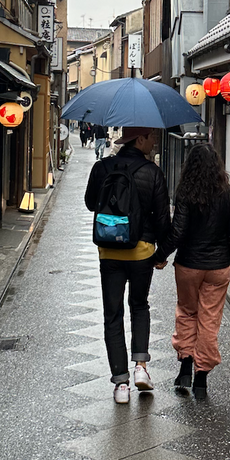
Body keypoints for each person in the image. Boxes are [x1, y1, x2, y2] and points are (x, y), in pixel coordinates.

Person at [85, 127, 171, 404]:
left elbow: (89, 203)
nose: (155, 141)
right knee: (140, 306)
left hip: (108, 251)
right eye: (152, 137)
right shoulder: (152, 172)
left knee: (112, 314)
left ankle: (120, 384)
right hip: (141, 251)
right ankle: (140, 368)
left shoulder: (102, 167)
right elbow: (162, 220)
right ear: (140, 139)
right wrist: (162, 252)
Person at [153, 144, 230, 398]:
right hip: (218, 267)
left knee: (187, 313)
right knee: (209, 320)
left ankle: (185, 367)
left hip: (189, 265)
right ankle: (202, 377)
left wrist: (159, 256)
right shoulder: (227, 192)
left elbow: (177, 232)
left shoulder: (186, 192)